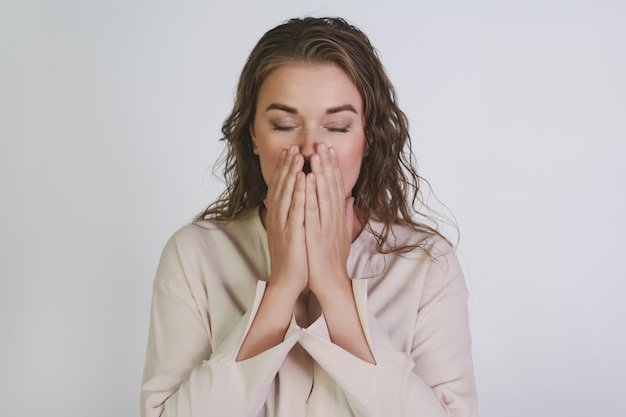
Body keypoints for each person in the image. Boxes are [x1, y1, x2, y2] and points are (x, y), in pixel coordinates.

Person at [141, 16, 477, 417]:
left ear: (368, 138)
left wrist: (335, 287)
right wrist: (282, 287)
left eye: (337, 127)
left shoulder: (426, 264)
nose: (309, 150)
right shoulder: (194, 255)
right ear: (252, 135)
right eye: (284, 125)